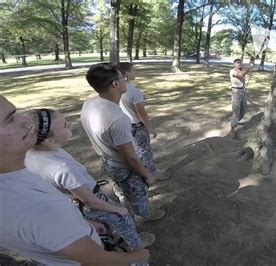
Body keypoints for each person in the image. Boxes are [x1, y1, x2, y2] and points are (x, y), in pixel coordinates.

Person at [0, 95, 149, 265]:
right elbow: (97, 258)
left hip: (82, 220)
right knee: (123, 223)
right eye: (10, 119)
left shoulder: (27, 161)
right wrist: (139, 255)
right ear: (48, 140)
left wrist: (86, 225)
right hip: (93, 207)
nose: (26, 121)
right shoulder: (49, 188)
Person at [24, 108, 155, 251]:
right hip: (89, 200)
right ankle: (136, 246)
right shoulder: (62, 168)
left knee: (103, 225)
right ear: (48, 140)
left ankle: (114, 239)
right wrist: (118, 209)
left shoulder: (31, 154)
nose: (70, 124)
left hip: (73, 203)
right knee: (123, 219)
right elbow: (90, 201)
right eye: (65, 125)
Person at [81, 63, 165, 222]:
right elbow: (130, 158)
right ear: (115, 83)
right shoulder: (117, 119)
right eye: (122, 77)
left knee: (121, 189)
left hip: (107, 161)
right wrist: (148, 175)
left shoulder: (89, 103)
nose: (125, 80)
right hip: (124, 166)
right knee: (137, 193)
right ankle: (143, 217)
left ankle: (127, 208)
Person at [117, 62, 170, 181]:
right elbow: (141, 114)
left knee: (132, 151)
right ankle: (151, 174)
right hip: (136, 127)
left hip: (124, 125)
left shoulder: (115, 89)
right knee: (145, 151)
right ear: (126, 74)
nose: (135, 72)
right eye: (133, 70)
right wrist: (150, 128)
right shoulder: (134, 92)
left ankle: (137, 170)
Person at [229, 58, 254, 137]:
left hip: (242, 92)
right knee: (236, 111)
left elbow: (249, 69)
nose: (239, 64)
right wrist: (249, 67)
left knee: (244, 109)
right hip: (236, 92)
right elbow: (241, 75)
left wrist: (252, 62)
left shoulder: (242, 69)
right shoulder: (232, 71)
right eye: (237, 63)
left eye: (240, 62)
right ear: (234, 64)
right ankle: (232, 129)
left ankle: (236, 121)